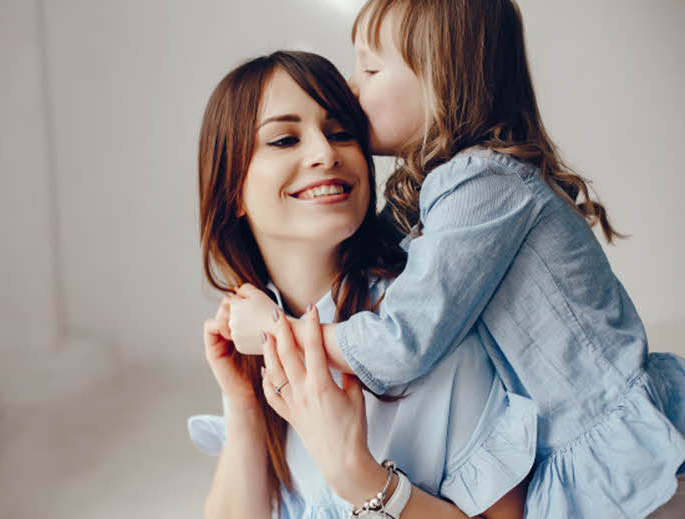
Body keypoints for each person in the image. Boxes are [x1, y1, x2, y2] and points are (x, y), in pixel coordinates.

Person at [227, 1, 685, 518]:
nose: (351, 87)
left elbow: (405, 343)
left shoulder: (478, 182)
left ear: (443, 83)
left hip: (626, 467)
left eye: (371, 69)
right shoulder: (441, 190)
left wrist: (280, 331)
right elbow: (374, 245)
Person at [188, 50, 537, 518]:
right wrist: (244, 404)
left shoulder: (428, 323)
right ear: (232, 189)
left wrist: (355, 472)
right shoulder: (260, 329)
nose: (325, 153)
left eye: (340, 133)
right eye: (285, 139)